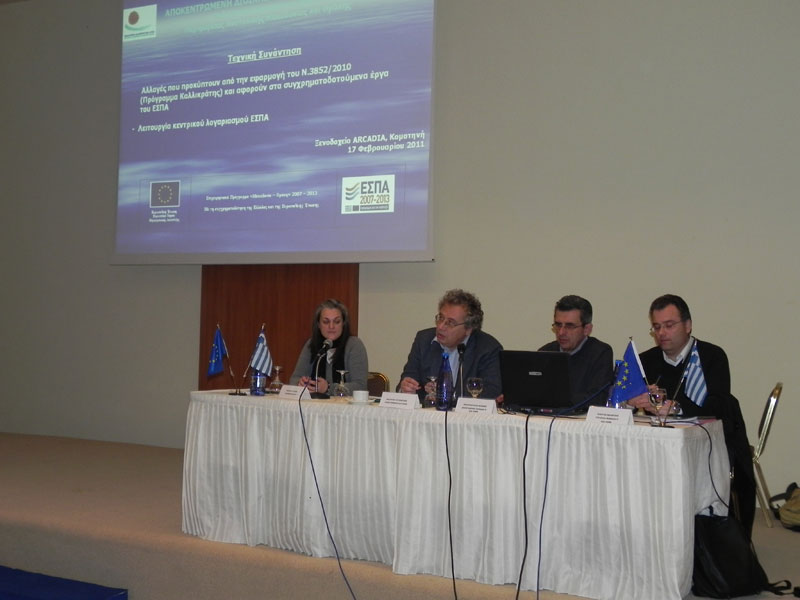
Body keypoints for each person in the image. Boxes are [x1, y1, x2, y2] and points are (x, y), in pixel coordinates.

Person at [629, 294, 756, 536]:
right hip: (657, 447)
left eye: (669, 325)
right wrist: (631, 402)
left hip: (708, 445)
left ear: (688, 325)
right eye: (656, 327)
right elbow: (626, 404)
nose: (662, 333)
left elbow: (719, 405)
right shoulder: (645, 361)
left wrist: (677, 408)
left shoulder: (711, 356)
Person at [398, 289, 502, 403]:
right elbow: (407, 380)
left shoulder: (488, 349)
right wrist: (406, 389)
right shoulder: (424, 341)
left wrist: (444, 393)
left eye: (450, 322)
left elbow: (490, 394)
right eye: (441, 318)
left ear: (468, 328)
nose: (441, 327)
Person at [538, 295, 614, 408]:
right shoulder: (545, 352)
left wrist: (555, 399)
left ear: (587, 329)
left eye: (569, 326)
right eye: (558, 325)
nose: (561, 332)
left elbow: (598, 398)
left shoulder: (600, 353)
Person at [289, 299, 368, 396]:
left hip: (345, 405)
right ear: (318, 324)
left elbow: (360, 387)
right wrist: (300, 383)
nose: (331, 326)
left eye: (337, 322)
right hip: (313, 404)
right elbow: (294, 380)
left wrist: (329, 388)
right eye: (326, 322)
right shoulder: (311, 344)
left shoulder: (354, 345)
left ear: (343, 323)